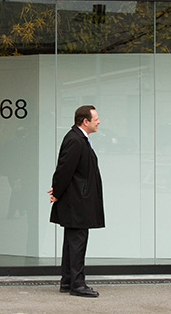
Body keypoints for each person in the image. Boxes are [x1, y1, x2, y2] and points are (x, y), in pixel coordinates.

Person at [47, 105, 105, 298]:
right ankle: (77, 284)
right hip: (77, 201)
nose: (99, 121)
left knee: (72, 242)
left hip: (78, 200)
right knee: (78, 241)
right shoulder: (76, 140)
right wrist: (57, 191)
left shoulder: (79, 138)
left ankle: (68, 281)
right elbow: (64, 169)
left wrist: (58, 190)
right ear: (85, 121)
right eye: (95, 118)